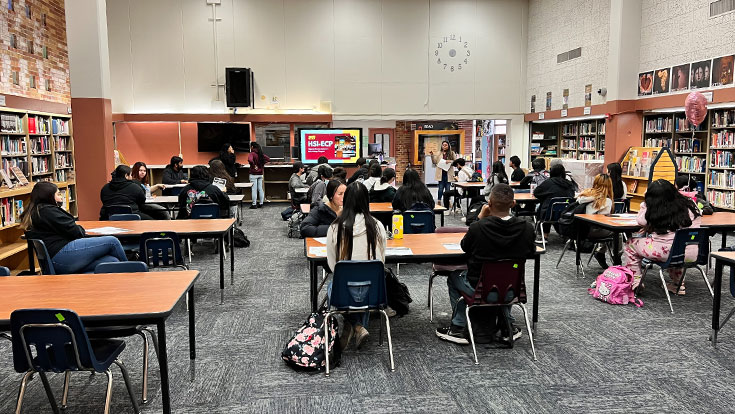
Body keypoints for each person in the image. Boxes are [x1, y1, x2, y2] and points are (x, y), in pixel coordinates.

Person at [435, 184, 536, 345]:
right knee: (506, 276)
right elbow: (531, 252)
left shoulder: (478, 228)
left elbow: (464, 247)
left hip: (480, 290)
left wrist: (480, 218)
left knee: (454, 277)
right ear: (513, 204)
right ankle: (507, 325)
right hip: (512, 291)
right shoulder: (527, 228)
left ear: (489, 204)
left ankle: (458, 327)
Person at [327, 181, 387, 350]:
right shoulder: (377, 226)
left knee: (334, 286)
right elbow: (381, 261)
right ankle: (358, 326)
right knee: (363, 287)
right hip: (374, 293)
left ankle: (354, 325)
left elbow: (333, 266)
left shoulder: (335, 228)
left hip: (344, 293)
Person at [22, 181, 127, 274]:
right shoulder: (48, 212)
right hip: (61, 255)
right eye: (58, 194)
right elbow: (76, 232)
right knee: (112, 241)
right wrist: (79, 228)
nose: (61, 197)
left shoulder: (35, 211)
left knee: (112, 261)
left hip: (55, 260)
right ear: (49, 197)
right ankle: (133, 273)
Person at [625, 179, 701, 293]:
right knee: (677, 245)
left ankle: (636, 281)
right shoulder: (690, 204)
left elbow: (641, 221)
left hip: (666, 252)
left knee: (630, 244)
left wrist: (645, 203)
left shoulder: (655, 209)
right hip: (693, 252)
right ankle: (678, 285)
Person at [577, 174, 615, 268]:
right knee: (618, 233)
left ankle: (601, 252)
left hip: (580, 230)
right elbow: (603, 221)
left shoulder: (585, 194)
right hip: (594, 231)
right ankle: (616, 260)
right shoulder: (606, 201)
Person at [533, 163, 575, 237]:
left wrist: (545, 198)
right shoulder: (569, 184)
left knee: (544, 206)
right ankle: (563, 233)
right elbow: (572, 195)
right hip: (565, 212)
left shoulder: (548, 182)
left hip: (548, 214)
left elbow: (536, 193)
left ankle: (544, 235)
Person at [429, 141, 456, 207]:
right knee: (440, 188)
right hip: (441, 173)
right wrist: (432, 155)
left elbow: (455, 162)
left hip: (448, 173)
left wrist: (450, 161)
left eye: (446, 145)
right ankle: (439, 201)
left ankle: (448, 201)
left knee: (448, 189)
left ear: (448, 146)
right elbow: (434, 162)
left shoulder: (452, 153)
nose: (444, 146)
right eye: (443, 145)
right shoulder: (439, 153)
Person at [248, 142, 270, 209]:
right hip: (260, 174)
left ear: (252, 147)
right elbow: (268, 159)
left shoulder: (252, 153)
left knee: (254, 189)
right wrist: (262, 164)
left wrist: (254, 165)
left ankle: (254, 204)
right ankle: (261, 203)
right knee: (260, 189)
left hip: (253, 174)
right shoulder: (260, 154)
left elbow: (250, 160)